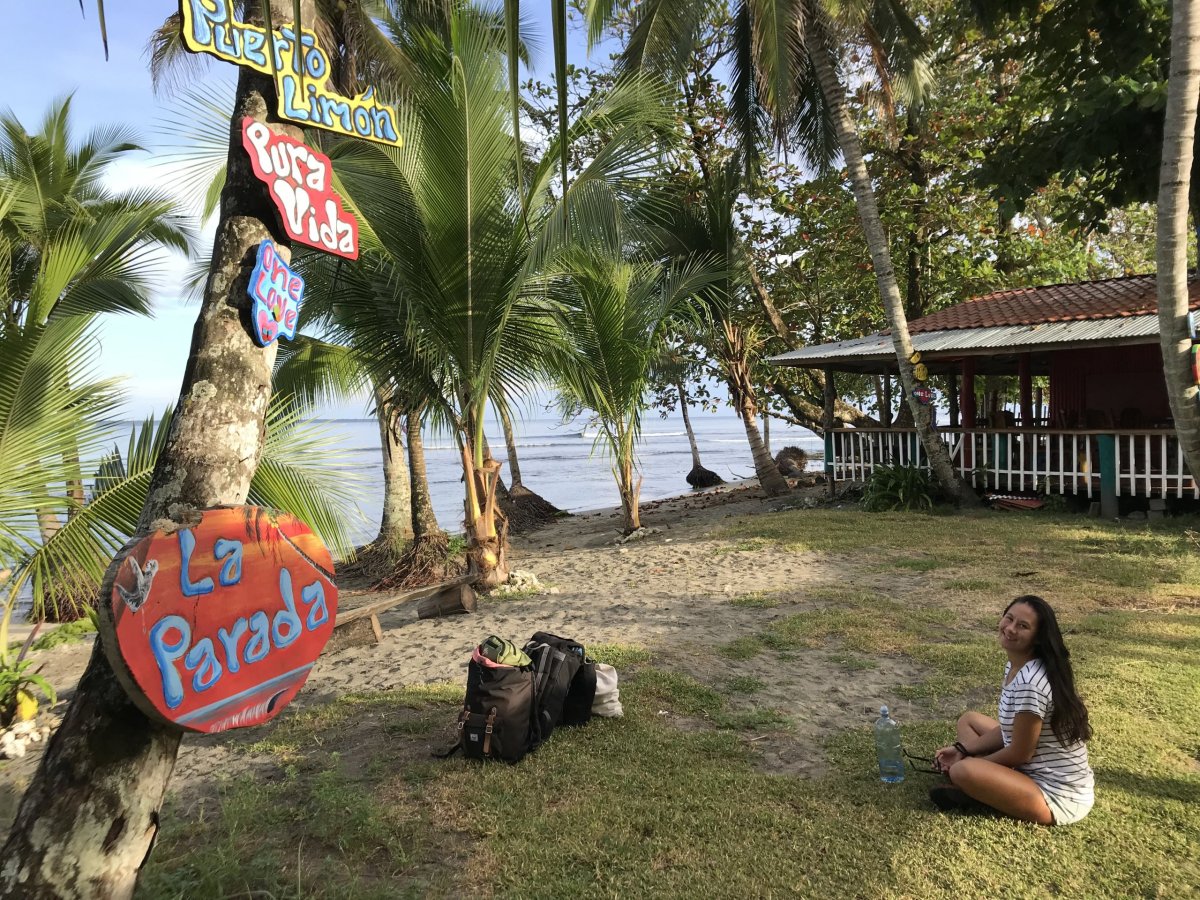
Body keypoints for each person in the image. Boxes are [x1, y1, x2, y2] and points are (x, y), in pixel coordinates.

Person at [931, 595, 1094, 825]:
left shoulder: (1031, 683)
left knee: (961, 771)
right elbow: (1011, 729)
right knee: (968, 720)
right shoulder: (1017, 664)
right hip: (1027, 769)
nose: (1010, 629)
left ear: (1038, 638)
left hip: (1055, 794)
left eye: (1023, 626)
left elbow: (1020, 753)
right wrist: (962, 749)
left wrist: (973, 763)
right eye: (1009, 618)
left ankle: (979, 788)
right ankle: (984, 785)